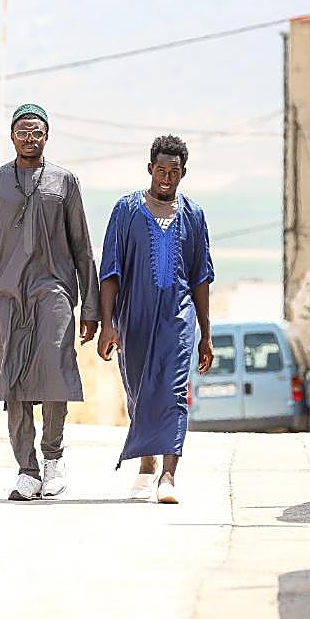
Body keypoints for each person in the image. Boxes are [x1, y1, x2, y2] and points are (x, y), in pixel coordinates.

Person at [0, 104, 99, 501]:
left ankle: (53, 459)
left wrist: (90, 308)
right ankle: (27, 470)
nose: (29, 138)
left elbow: (82, 247)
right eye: (22, 131)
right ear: (11, 136)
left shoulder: (64, 182)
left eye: (36, 132)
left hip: (54, 292)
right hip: (7, 296)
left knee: (56, 371)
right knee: (13, 380)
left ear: (47, 137)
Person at [97, 135, 214, 504]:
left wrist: (205, 334)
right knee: (139, 391)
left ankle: (168, 475)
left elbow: (201, 278)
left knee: (174, 392)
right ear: (150, 169)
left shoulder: (194, 215)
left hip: (178, 316)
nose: (166, 177)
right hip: (134, 317)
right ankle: (146, 464)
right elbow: (110, 271)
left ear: (183, 173)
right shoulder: (126, 210)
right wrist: (107, 325)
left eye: (174, 172)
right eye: (160, 170)